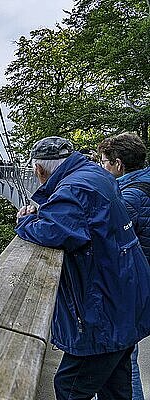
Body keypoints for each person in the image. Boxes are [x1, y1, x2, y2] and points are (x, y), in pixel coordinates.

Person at [15, 136, 150, 400]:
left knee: (69, 387)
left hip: (104, 312)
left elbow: (53, 231)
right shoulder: (93, 176)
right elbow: (77, 221)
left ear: (39, 170)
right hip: (124, 300)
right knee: (116, 388)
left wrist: (25, 220)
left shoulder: (74, 190)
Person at [98, 133, 150, 400]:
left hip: (130, 291)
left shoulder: (128, 198)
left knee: (123, 365)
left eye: (104, 162)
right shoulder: (144, 185)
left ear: (118, 164)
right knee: (126, 361)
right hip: (141, 288)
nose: (101, 167)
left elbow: (100, 239)